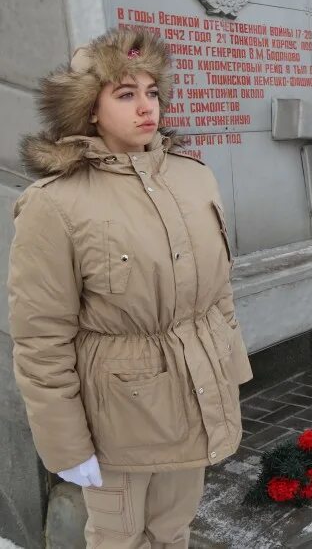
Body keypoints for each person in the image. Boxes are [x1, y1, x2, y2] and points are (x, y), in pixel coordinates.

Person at [7, 28, 253, 547]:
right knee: (120, 541)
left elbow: (218, 295)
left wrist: (228, 373)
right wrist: (66, 445)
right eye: (125, 94)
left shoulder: (192, 179)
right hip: (118, 421)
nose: (147, 107)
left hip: (194, 401)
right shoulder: (55, 204)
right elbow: (40, 340)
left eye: (152, 92)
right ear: (90, 110)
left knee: (173, 532)